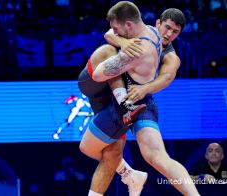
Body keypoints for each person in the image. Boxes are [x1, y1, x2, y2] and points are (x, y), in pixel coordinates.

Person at [79, 2, 200, 195]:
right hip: (115, 95)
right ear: (158, 23)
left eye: (175, 32)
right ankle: (131, 176)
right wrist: (124, 42)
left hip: (141, 100)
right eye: (167, 27)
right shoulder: (141, 31)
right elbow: (109, 33)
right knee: (110, 152)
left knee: (157, 157)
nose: (169, 34)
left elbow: (166, 78)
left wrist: (144, 89)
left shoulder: (171, 56)